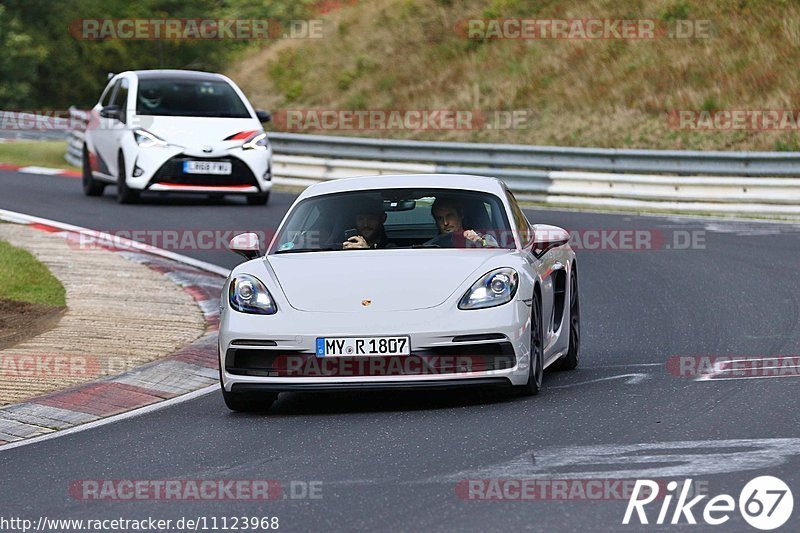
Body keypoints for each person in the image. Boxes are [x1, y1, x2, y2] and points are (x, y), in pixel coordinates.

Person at [427, 197, 498, 247]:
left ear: (460, 215)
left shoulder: (479, 237)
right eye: (439, 218)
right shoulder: (432, 245)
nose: (445, 223)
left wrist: (479, 242)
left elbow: (496, 251)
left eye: (449, 216)